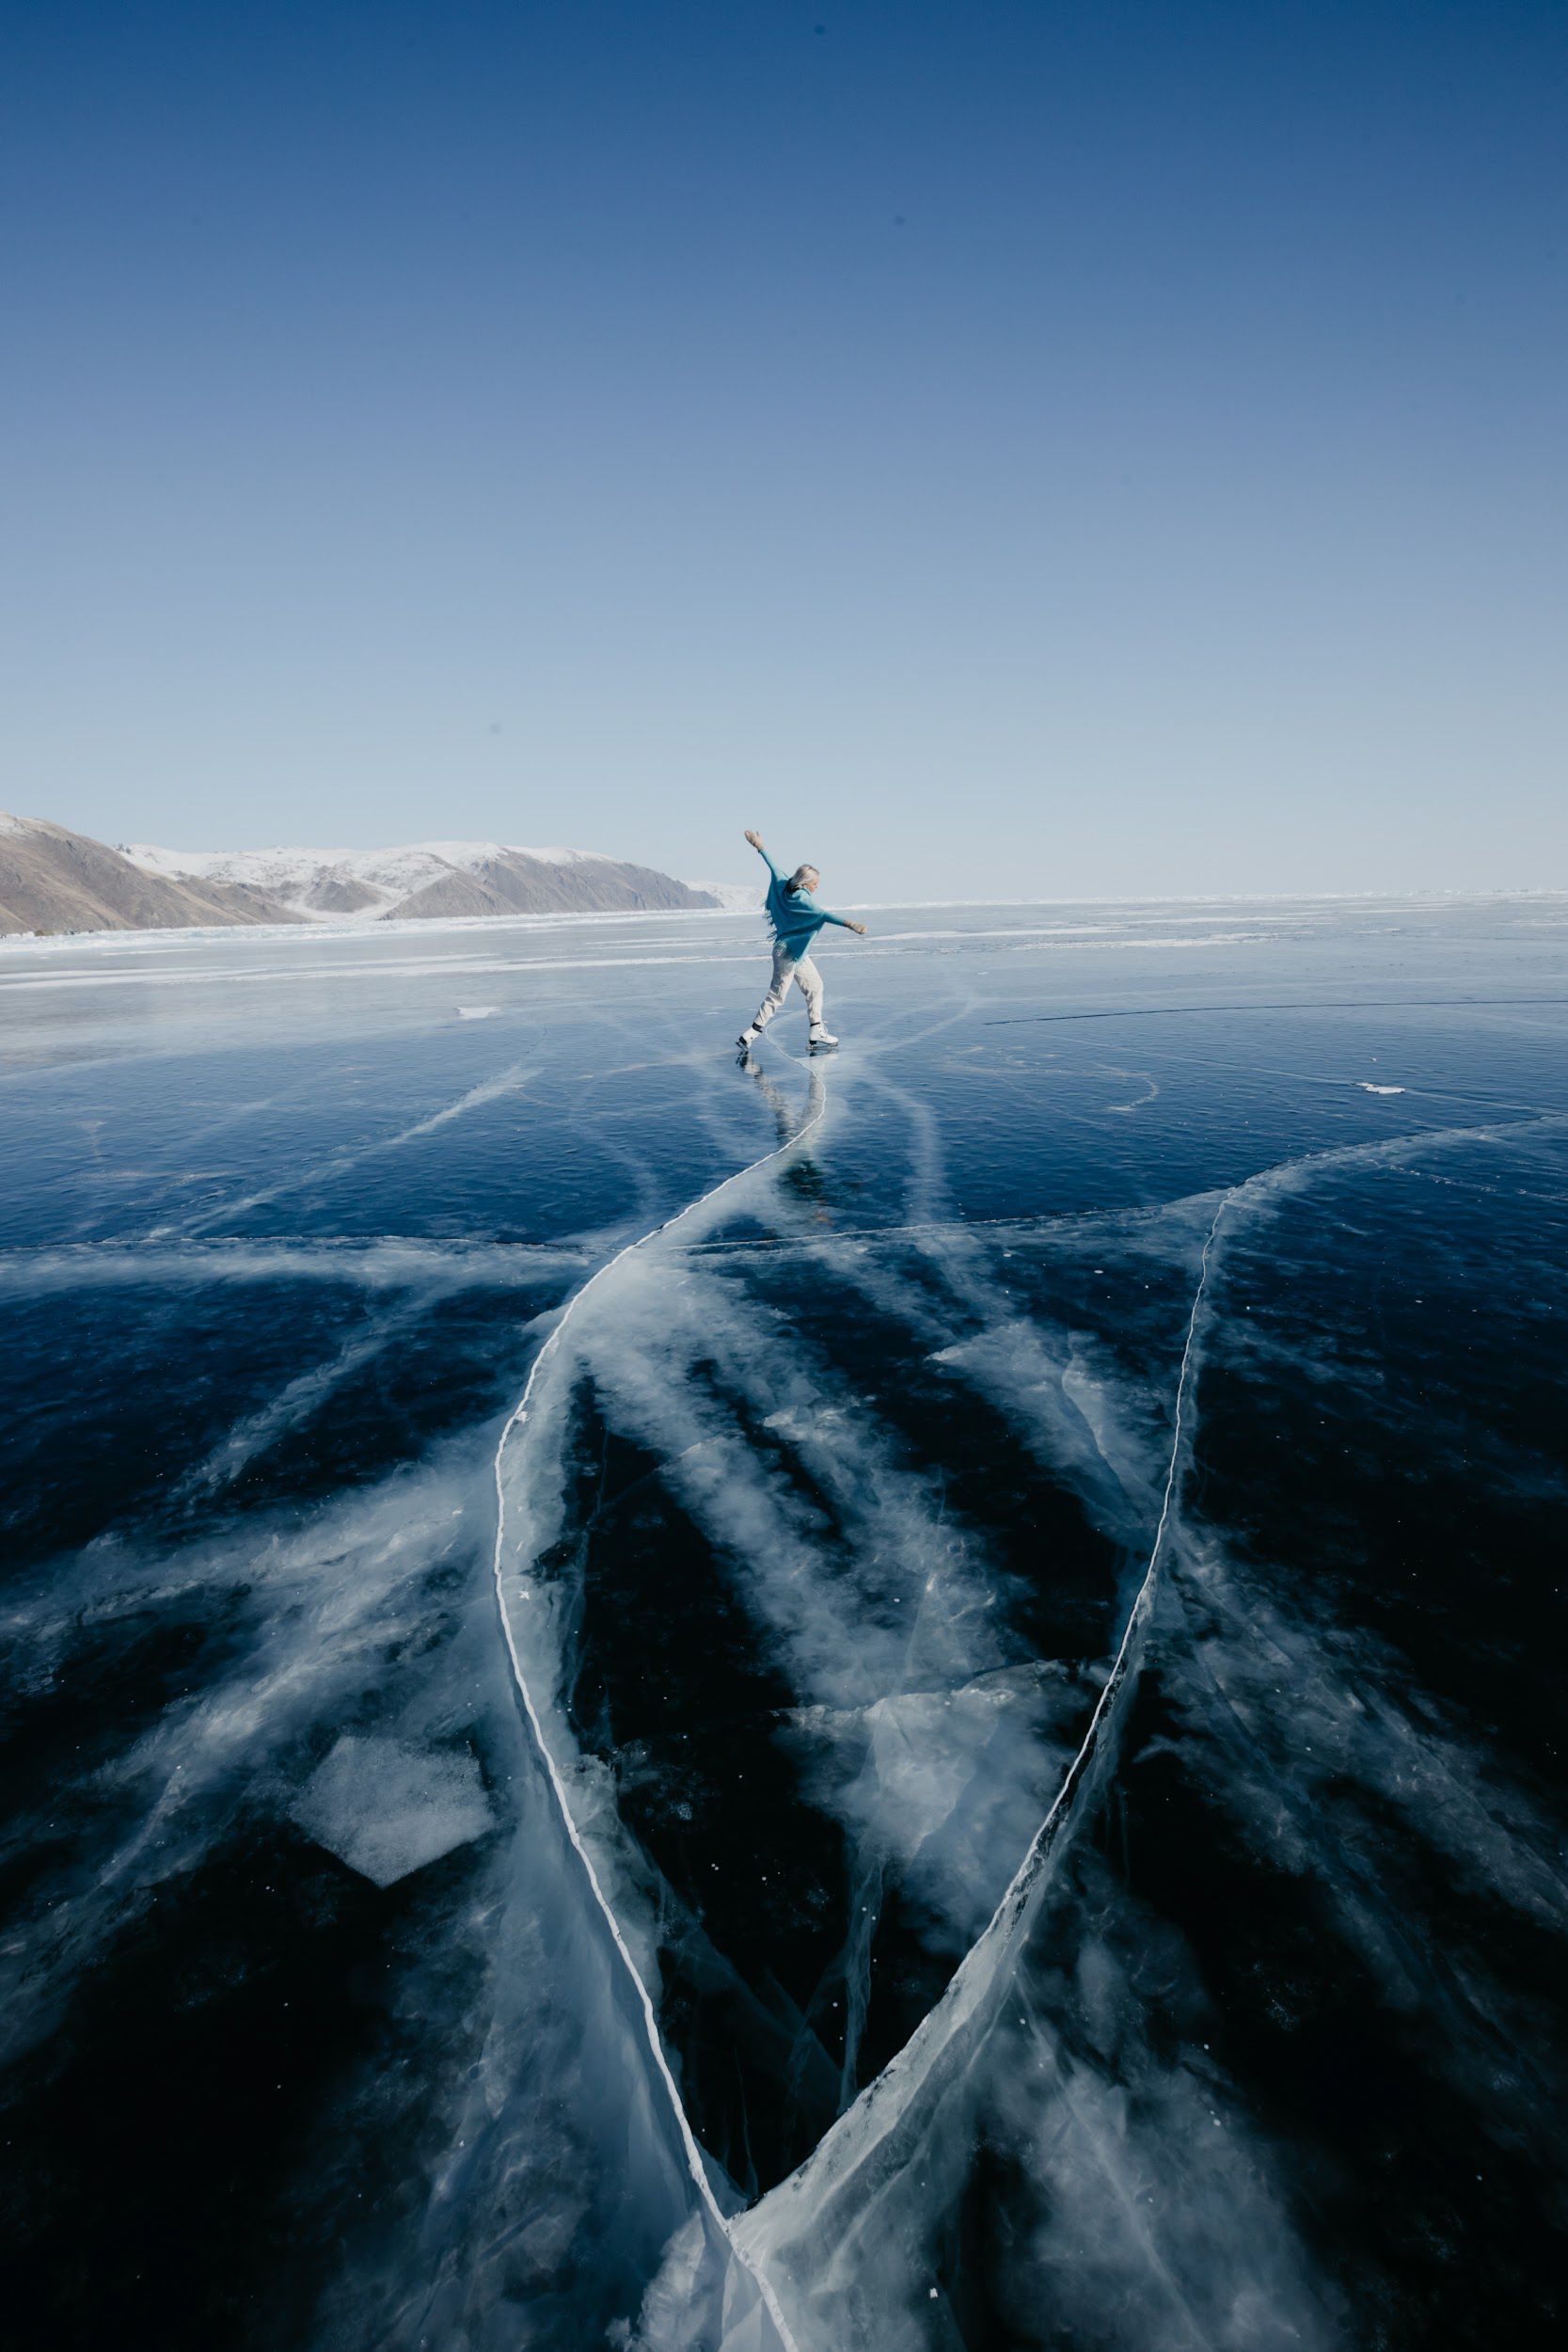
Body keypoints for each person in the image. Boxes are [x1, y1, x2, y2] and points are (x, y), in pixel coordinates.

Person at [736, 829, 868, 1055]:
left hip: (796, 952)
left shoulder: (783, 884)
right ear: (807, 883)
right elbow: (824, 915)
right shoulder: (804, 900)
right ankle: (751, 1033)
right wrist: (850, 924)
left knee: (815, 986)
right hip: (787, 953)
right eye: (816, 882)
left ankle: (816, 1030)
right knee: (777, 995)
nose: (818, 886)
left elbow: (772, 865)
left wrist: (760, 846)